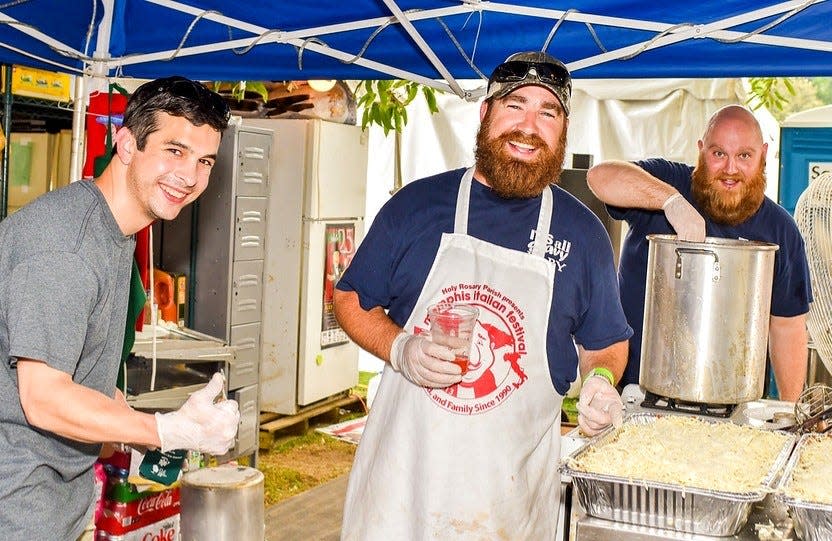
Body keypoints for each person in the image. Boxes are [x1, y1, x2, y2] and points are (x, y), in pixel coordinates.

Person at [334, 51, 632, 540]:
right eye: (515, 105)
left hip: (507, 509)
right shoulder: (417, 206)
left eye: (547, 113)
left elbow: (605, 344)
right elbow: (351, 299)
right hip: (399, 500)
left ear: (563, 130)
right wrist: (400, 348)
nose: (529, 126)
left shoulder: (584, 235)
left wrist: (600, 381)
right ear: (485, 113)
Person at [0, 76, 240, 540]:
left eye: (204, 160)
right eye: (175, 150)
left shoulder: (113, 232)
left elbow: (84, 376)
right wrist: (166, 431)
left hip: (51, 505)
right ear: (126, 143)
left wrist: (141, 432)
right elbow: (44, 397)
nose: (189, 176)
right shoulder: (65, 248)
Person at [586, 104, 811, 401]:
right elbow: (600, 176)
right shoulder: (667, 181)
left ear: (764, 155)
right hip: (636, 390)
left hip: (734, 400)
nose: (731, 169)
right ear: (701, 150)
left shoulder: (781, 230)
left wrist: (790, 409)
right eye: (719, 154)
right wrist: (669, 201)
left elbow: (787, 326)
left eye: (744, 155)